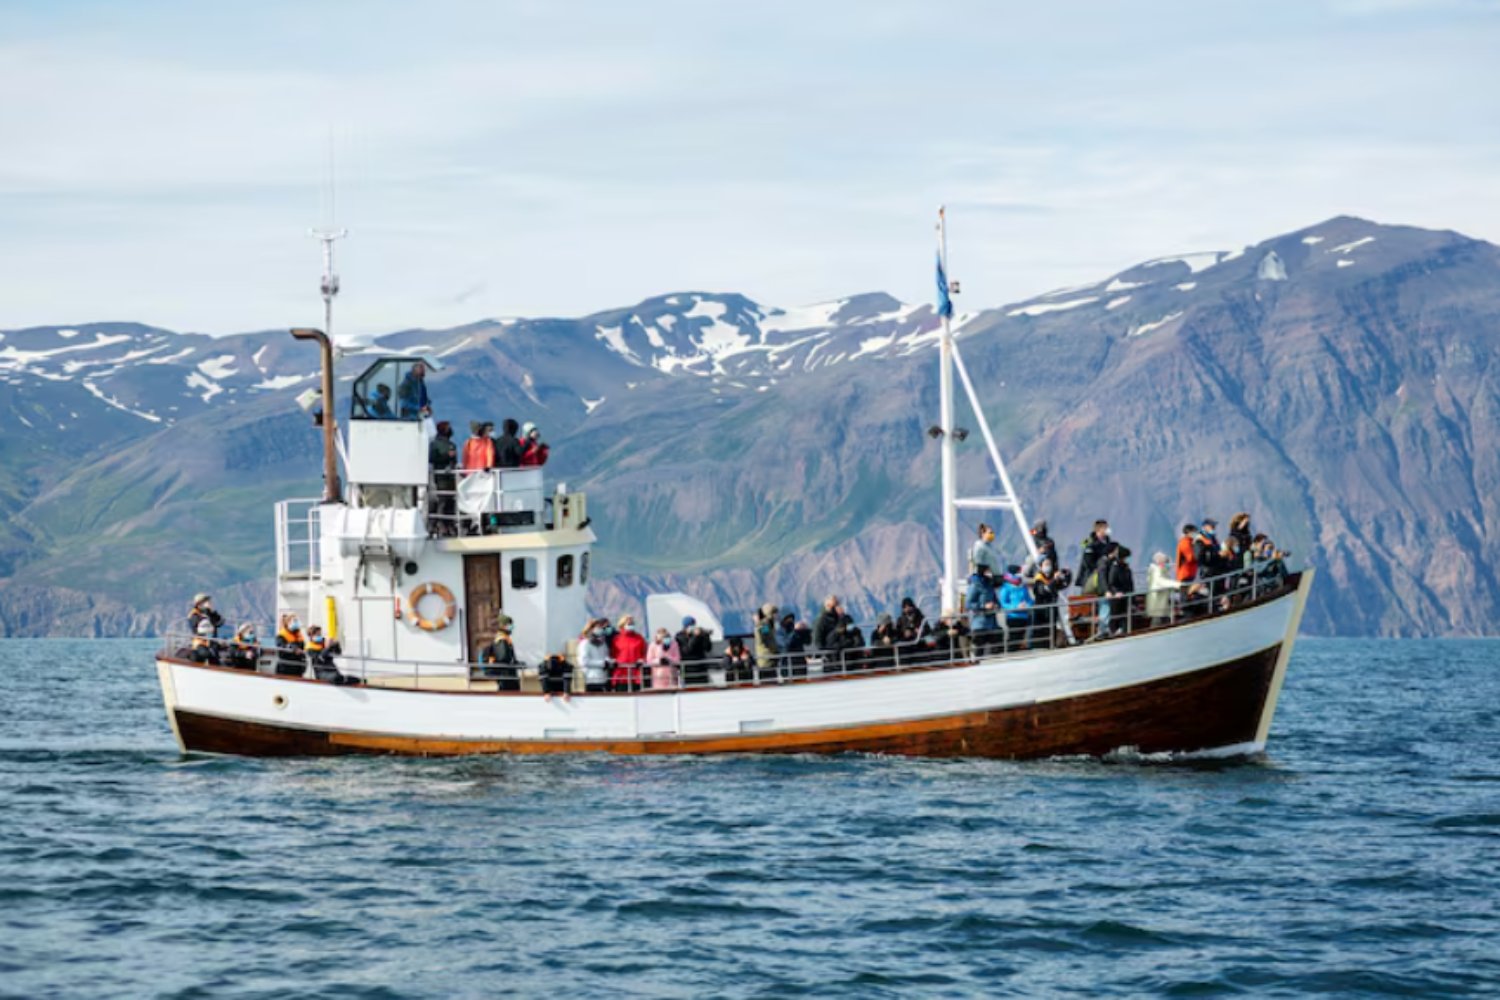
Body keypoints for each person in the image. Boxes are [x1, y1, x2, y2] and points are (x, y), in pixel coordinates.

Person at [428, 420, 458, 536]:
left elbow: (454, 460)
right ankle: (441, 523)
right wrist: (447, 456)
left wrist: (452, 463)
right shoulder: (435, 444)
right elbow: (432, 458)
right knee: (443, 500)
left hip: (451, 476)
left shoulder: (451, 444)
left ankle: (450, 523)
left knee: (451, 500)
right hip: (441, 477)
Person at [1030, 558, 1070, 647]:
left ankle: (1052, 644)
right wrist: (1054, 580)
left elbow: (1062, 586)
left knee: (1052, 628)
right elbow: (1044, 590)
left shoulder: (1050, 578)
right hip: (1042, 611)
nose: (1048, 566)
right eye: (1046, 564)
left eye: (1049, 564)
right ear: (1041, 566)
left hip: (1052, 610)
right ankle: (1041, 646)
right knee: (1042, 630)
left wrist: (1067, 575)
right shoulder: (1038, 580)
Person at [479, 615, 520, 690]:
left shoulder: (505, 638)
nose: (511, 626)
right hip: (505, 674)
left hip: (507, 674)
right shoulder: (501, 640)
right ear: (504, 626)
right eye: (509, 625)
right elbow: (502, 657)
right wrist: (513, 663)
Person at [965, 567, 1000, 652]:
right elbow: (968, 604)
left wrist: (996, 605)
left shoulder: (989, 586)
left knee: (996, 650)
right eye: (988, 571)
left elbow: (997, 601)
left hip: (992, 624)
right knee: (979, 650)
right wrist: (983, 606)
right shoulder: (974, 585)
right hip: (979, 624)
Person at [999, 565, 1034, 651]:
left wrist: (1027, 605)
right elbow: (1003, 603)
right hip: (1013, 617)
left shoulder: (1023, 586)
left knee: (1021, 639)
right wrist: (1016, 607)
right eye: (1019, 572)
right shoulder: (1006, 587)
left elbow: (1029, 600)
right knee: (1013, 639)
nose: (1020, 574)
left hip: (1024, 617)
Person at [1103, 545, 1135, 637]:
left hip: (1126, 597)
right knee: (1115, 617)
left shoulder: (1125, 568)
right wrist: (1116, 592)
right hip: (1117, 599)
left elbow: (1129, 583)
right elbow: (1112, 583)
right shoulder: (1115, 568)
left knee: (1125, 617)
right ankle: (1113, 633)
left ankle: (1125, 632)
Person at [609, 615, 646, 691]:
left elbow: (644, 653)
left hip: (635, 674)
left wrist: (641, 660)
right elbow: (612, 655)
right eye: (629, 624)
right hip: (621, 674)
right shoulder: (616, 639)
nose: (631, 625)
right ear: (623, 625)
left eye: (632, 624)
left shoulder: (639, 638)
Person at [676, 616, 713, 687]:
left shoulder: (699, 635)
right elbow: (687, 650)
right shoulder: (679, 636)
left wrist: (706, 636)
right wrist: (695, 637)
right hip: (688, 670)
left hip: (701, 668)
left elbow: (707, 648)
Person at [1076, 520, 1112, 593]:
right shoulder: (1091, 544)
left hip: (1104, 578)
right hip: (1091, 578)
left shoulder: (1108, 543)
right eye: (1105, 528)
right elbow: (1088, 563)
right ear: (1099, 530)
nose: (1108, 529)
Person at [1146, 551, 1179, 627]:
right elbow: (1162, 582)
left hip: (1163, 606)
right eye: (1166, 562)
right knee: (1157, 624)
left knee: (1164, 622)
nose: (1168, 564)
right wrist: (1179, 585)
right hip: (1158, 607)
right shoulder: (1156, 571)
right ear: (1160, 562)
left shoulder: (1161, 572)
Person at [576, 628, 611, 692]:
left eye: (603, 637)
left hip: (603, 678)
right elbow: (584, 661)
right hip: (591, 678)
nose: (602, 639)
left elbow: (606, 656)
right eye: (600, 637)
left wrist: (609, 662)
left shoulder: (603, 644)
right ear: (594, 636)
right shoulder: (585, 644)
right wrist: (602, 663)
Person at [753, 603, 780, 681]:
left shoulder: (768, 625)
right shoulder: (764, 626)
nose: (776, 616)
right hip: (766, 662)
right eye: (774, 613)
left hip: (770, 660)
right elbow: (765, 639)